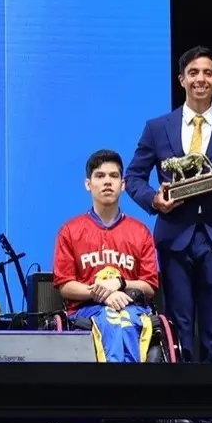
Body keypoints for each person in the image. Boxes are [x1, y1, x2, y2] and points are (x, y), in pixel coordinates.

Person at [124, 46, 212, 363]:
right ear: (181, 79)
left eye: (207, 73)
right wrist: (154, 200)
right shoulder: (157, 126)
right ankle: (182, 404)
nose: (200, 79)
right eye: (193, 73)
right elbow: (134, 176)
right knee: (178, 326)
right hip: (175, 236)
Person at [54, 149, 160, 362]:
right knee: (111, 319)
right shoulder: (70, 230)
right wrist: (104, 294)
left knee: (123, 320)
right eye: (100, 176)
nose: (107, 182)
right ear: (88, 184)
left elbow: (149, 285)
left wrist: (120, 284)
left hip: (132, 308)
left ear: (123, 185)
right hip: (86, 311)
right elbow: (65, 286)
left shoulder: (140, 231)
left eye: (114, 176)